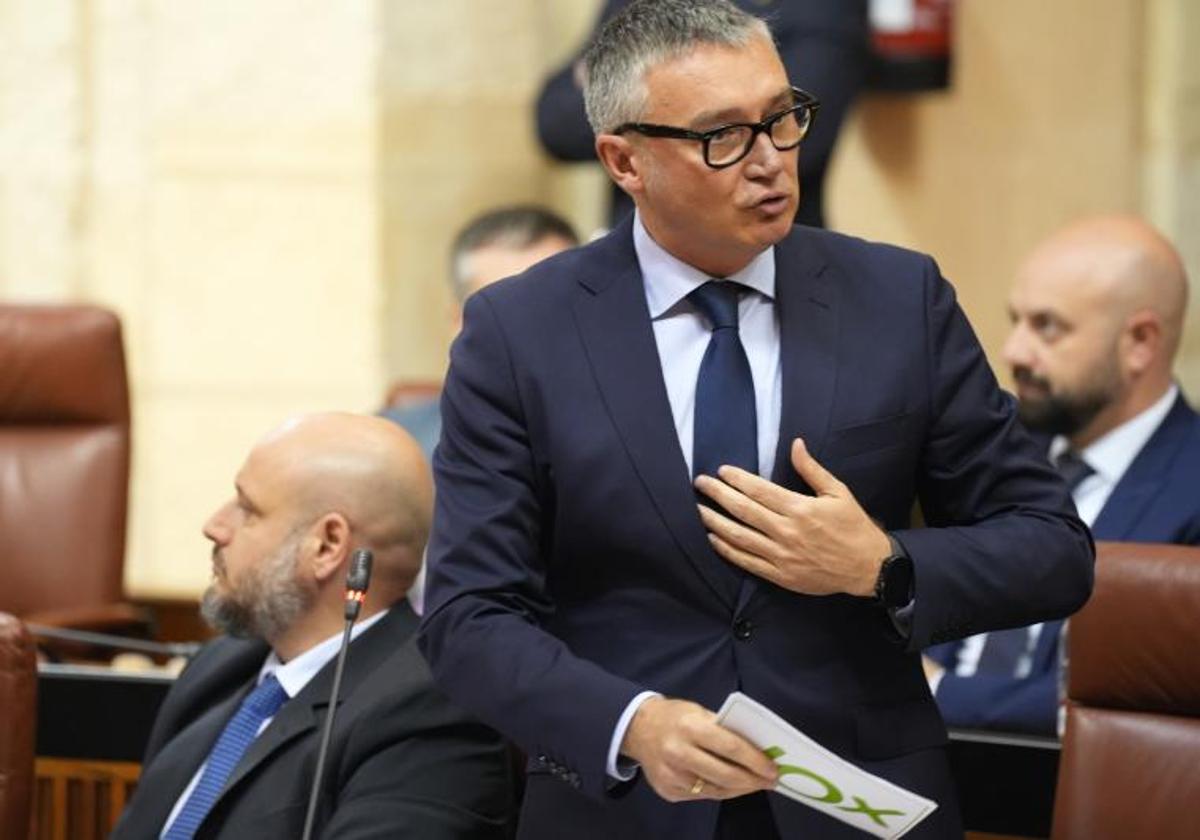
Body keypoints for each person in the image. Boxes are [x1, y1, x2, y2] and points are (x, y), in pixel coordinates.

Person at [418, 2, 1093, 837]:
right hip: (624, 806)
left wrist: (884, 563)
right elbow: (468, 617)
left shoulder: (898, 299)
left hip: (855, 803)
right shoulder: (520, 333)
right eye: (722, 138)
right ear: (624, 160)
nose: (770, 162)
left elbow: (1053, 548)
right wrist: (631, 724)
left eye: (782, 119)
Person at [112, 413, 513, 840]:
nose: (214, 526)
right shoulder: (223, 668)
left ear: (327, 546)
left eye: (247, 510)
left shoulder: (435, 716)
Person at [925, 216, 1200, 736]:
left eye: (1048, 326)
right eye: (1016, 320)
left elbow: (1141, 706)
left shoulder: (1191, 488)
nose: (1014, 352)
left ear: (1140, 341)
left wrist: (937, 690)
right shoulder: (995, 450)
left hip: (1072, 799)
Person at [535, 0, 869, 229]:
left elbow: (785, 136)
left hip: (776, 245)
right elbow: (558, 124)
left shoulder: (821, 9)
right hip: (640, 254)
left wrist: (632, 90)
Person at [383, 205, 579, 459]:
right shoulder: (394, 448)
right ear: (458, 324)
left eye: (552, 308)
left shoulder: (640, 434)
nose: (534, 334)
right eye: (504, 314)